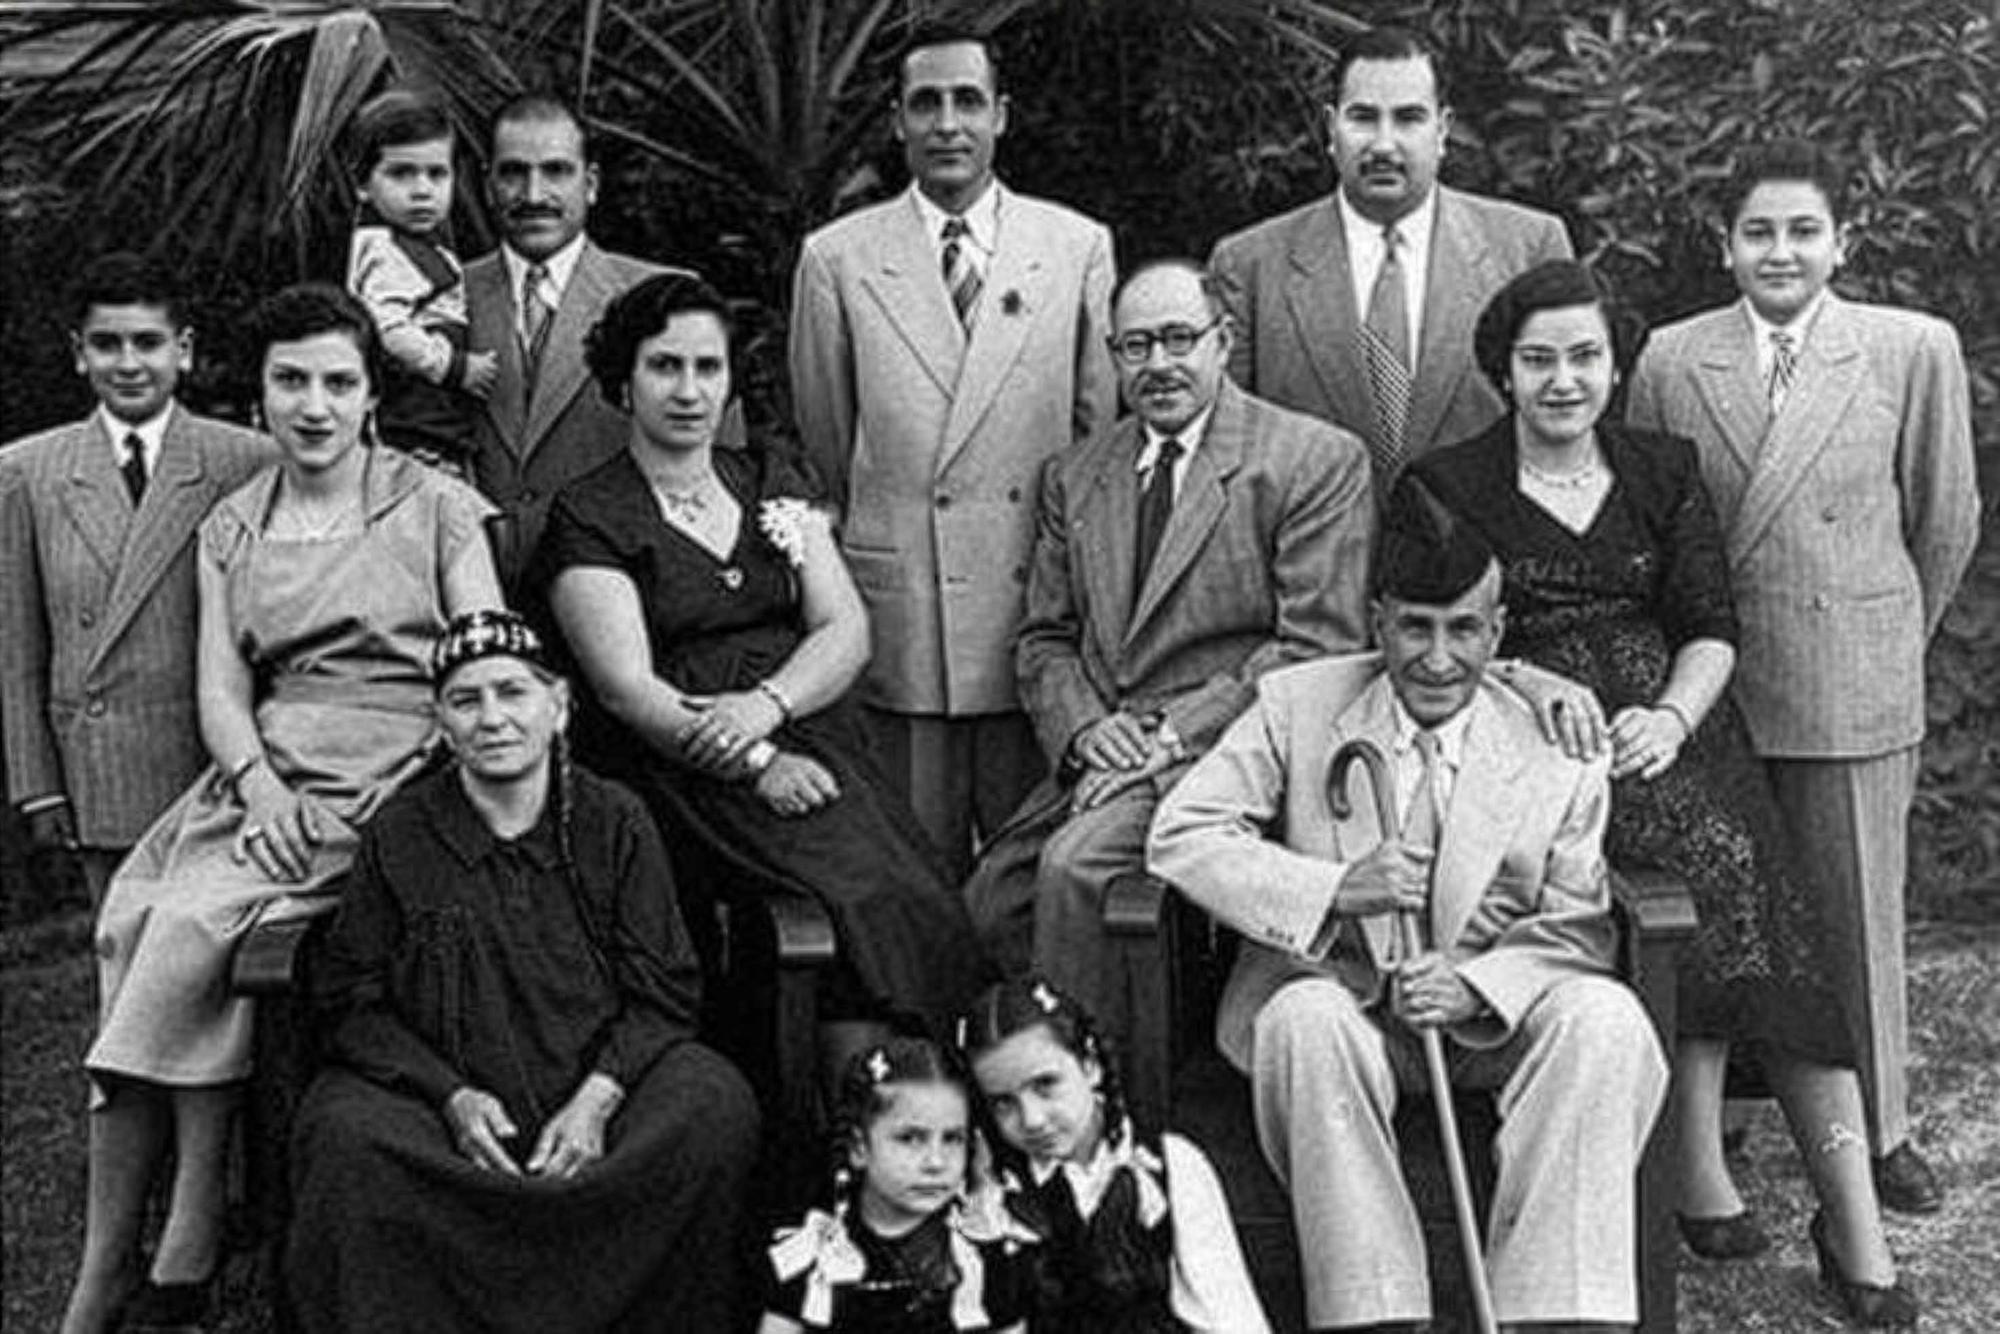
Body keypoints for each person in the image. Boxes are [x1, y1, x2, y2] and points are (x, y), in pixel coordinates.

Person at [1406, 258, 1914, 1325]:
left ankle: (1849, 1221)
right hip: (1538, 747)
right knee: (1697, 877)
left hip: (1676, 732)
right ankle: (1701, 1173)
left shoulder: (1660, 466)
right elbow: (1428, 639)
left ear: (1615, 365)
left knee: (1752, 890)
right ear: (1503, 369)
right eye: (1538, 359)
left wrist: (1672, 718)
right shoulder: (1447, 481)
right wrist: (1521, 676)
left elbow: (1711, 626)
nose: (1562, 380)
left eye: (1584, 357)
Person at [60, 284, 502, 1334]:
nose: (314, 406)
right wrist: (259, 785)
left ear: (371, 395)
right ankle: (124, 1250)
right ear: (258, 397)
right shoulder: (234, 523)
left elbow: (485, 661)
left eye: (338, 382)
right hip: (271, 772)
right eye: (290, 381)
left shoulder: (437, 504)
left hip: (406, 769)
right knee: (134, 919)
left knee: (185, 925)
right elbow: (223, 689)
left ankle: (171, 1241)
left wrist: (419, 782)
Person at [1149, 506, 1667, 1333]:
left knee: (1607, 1019)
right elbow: (1183, 834)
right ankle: (1378, 1314)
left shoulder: (1556, 740)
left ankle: (1553, 1315)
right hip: (1352, 1013)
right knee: (1304, 1018)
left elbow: (1578, 926)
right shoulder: (1297, 706)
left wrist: (1476, 985)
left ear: (1497, 631)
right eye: (1415, 627)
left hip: (1494, 1028)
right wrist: (1334, 889)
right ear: (1377, 622)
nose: (1437, 658)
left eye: (1464, 629)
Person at [1628, 139, 1979, 1219]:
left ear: (1842, 242)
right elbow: (1656, 526)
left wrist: (1880, 640)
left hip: (1849, 681)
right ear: (1723, 246)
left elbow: (1943, 520)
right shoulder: (1671, 358)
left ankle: (1881, 1128)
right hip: (1717, 687)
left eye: (1801, 231)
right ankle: (1726, 1119)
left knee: (1855, 916)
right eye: (1757, 232)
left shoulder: (1909, 348)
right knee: (1725, 911)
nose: (1779, 252)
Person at [534, 272, 989, 1054]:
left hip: (813, 735)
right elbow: (626, 689)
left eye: (707, 368)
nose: (689, 390)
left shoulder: (770, 478)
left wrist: (769, 707)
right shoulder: (591, 513)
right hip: (687, 769)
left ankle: (934, 1086)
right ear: (623, 381)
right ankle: (883, 1092)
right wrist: (757, 761)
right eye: (664, 366)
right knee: (860, 894)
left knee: (910, 891)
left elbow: (844, 628)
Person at [287, 610, 759, 1333]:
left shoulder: (615, 820)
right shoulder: (400, 833)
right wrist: (450, 1097)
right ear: (441, 725)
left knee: (712, 1106)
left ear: (558, 705)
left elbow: (664, 988)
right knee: (343, 1136)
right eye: (465, 700)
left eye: (513, 692)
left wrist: (598, 1099)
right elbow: (352, 1000)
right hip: (448, 1116)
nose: (493, 718)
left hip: (599, 1097)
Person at [962, 259, 1375, 1028]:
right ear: (1113, 357)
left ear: (1224, 341)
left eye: (1180, 339)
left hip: (1230, 748)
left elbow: (1316, 647)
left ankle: (1099, 1083)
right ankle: (1063, 1059)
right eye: (1136, 346)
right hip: (1106, 750)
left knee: (1077, 868)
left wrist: (1165, 736)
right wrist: (1087, 731)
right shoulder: (1076, 475)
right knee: (992, 898)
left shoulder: (1310, 460)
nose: (1159, 364)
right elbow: (1046, 638)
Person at [789, 22, 1118, 878]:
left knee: (1023, 877)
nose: (947, 124)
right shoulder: (837, 258)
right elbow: (829, 438)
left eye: (967, 101)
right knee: (918, 875)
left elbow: (1095, 442)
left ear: (1000, 114)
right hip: (908, 617)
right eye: (925, 103)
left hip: (1031, 611)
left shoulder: (1076, 246)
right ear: (897, 121)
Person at [0, 252, 272, 911]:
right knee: (123, 950)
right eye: (107, 344)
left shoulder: (246, 459)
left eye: (147, 343)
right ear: (79, 353)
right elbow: (18, 648)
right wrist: (38, 786)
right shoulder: (26, 472)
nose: (128, 363)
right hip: (101, 769)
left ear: (184, 350)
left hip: (218, 765)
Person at [1208, 26, 1572, 491]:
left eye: (1408, 118)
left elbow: (1563, 439)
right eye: (1363, 118)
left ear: (1442, 129)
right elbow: (1224, 463)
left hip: (1480, 537)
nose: (1383, 144)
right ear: (1331, 128)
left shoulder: (1529, 249)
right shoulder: (1250, 267)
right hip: (1309, 538)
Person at [959, 975, 1270, 1333]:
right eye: (1003, 1103)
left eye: (1045, 1085)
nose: (1032, 1119)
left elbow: (1231, 1317)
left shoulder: (1169, 1168)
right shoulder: (993, 1199)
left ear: (1089, 1065)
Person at [463, 94, 674, 581]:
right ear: (488, 184)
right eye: (513, 173)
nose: (534, 194)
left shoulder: (662, 300)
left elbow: (711, 469)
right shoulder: (436, 299)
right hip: (473, 591)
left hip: (624, 593)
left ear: (591, 184)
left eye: (556, 171)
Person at [759, 1038, 1033, 1333]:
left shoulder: (987, 1260)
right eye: (910, 1139)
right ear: (859, 1147)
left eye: (952, 1139)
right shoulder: (815, 1258)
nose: (936, 1162)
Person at [344, 87, 498, 474]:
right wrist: (453, 367)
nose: (422, 191)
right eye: (401, 174)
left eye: (437, 174)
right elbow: (387, 327)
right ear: (363, 185)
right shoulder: (385, 250)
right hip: (414, 416)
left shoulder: (416, 243)